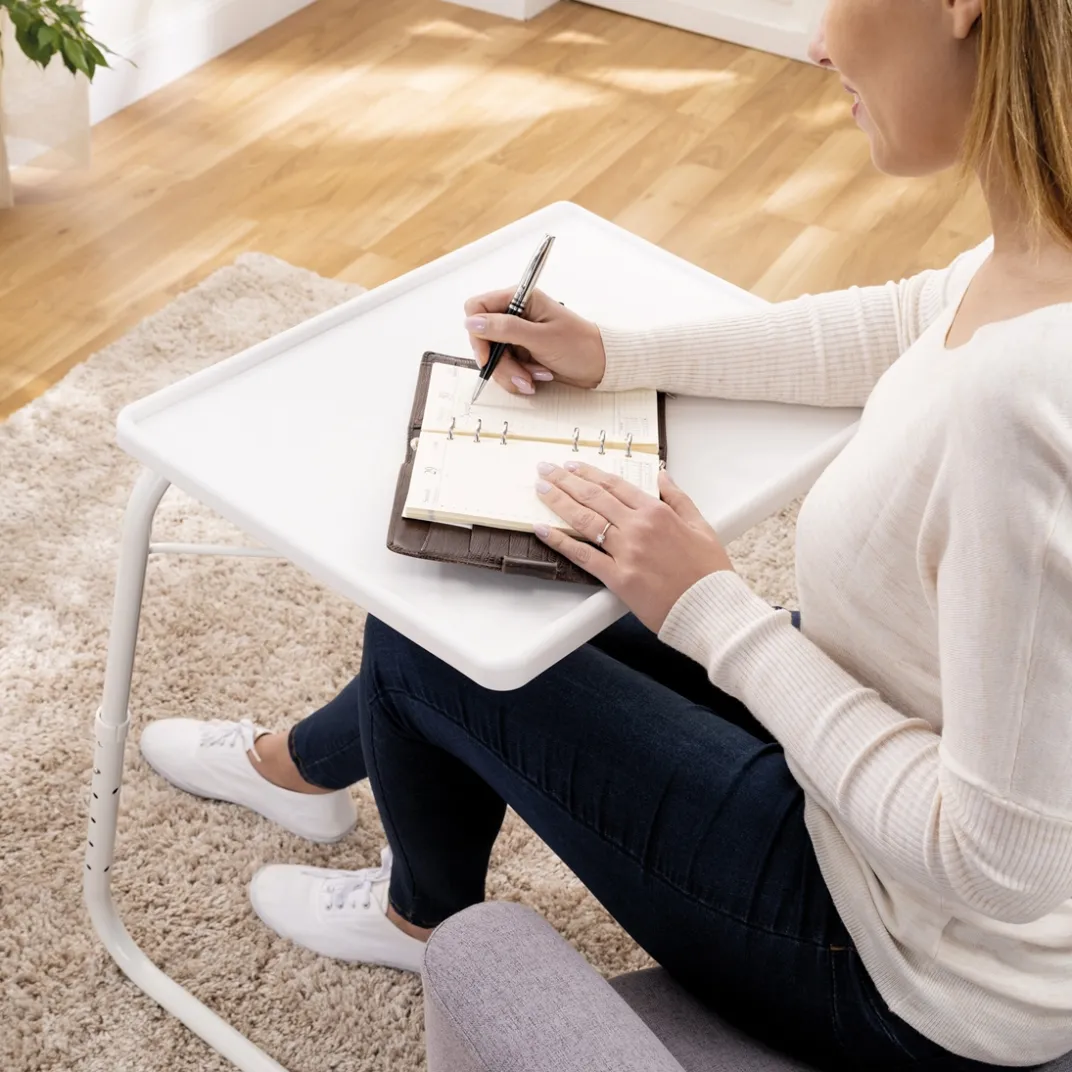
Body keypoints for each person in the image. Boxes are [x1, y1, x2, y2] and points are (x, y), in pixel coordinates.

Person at [139, 0, 1072, 1068]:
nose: (816, 44)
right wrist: (615, 355)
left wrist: (713, 613)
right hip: (884, 767)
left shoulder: (1025, 393)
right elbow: (907, 321)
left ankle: (414, 909)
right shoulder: (1041, 249)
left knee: (432, 636)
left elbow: (998, 861)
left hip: (907, 963)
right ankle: (298, 767)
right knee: (489, 601)